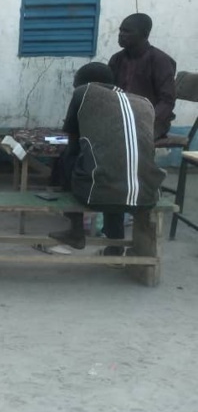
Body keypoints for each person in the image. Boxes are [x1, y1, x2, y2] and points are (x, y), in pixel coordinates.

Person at [49, 62, 165, 255]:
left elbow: (72, 145)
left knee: (67, 159)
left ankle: (76, 230)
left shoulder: (84, 93)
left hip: (98, 194)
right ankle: (115, 247)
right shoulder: (144, 102)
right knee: (115, 166)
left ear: (84, 84)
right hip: (148, 194)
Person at [108, 13, 177, 139]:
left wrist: (146, 121)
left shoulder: (160, 60)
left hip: (153, 122)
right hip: (122, 119)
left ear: (144, 34)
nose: (121, 34)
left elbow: (167, 101)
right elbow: (108, 91)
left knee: (127, 139)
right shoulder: (116, 59)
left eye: (127, 31)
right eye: (121, 30)